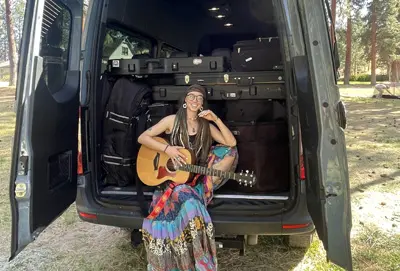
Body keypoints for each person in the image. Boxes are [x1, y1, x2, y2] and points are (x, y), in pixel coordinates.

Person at [137, 84, 238, 271]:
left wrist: (215, 118)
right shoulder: (172, 120)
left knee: (230, 151)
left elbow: (231, 142)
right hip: (171, 180)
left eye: (199, 98)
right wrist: (167, 149)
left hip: (194, 178)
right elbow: (143, 137)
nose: (195, 100)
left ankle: (198, 258)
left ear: (202, 104)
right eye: (191, 96)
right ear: (185, 100)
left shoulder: (206, 126)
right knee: (189, 201)